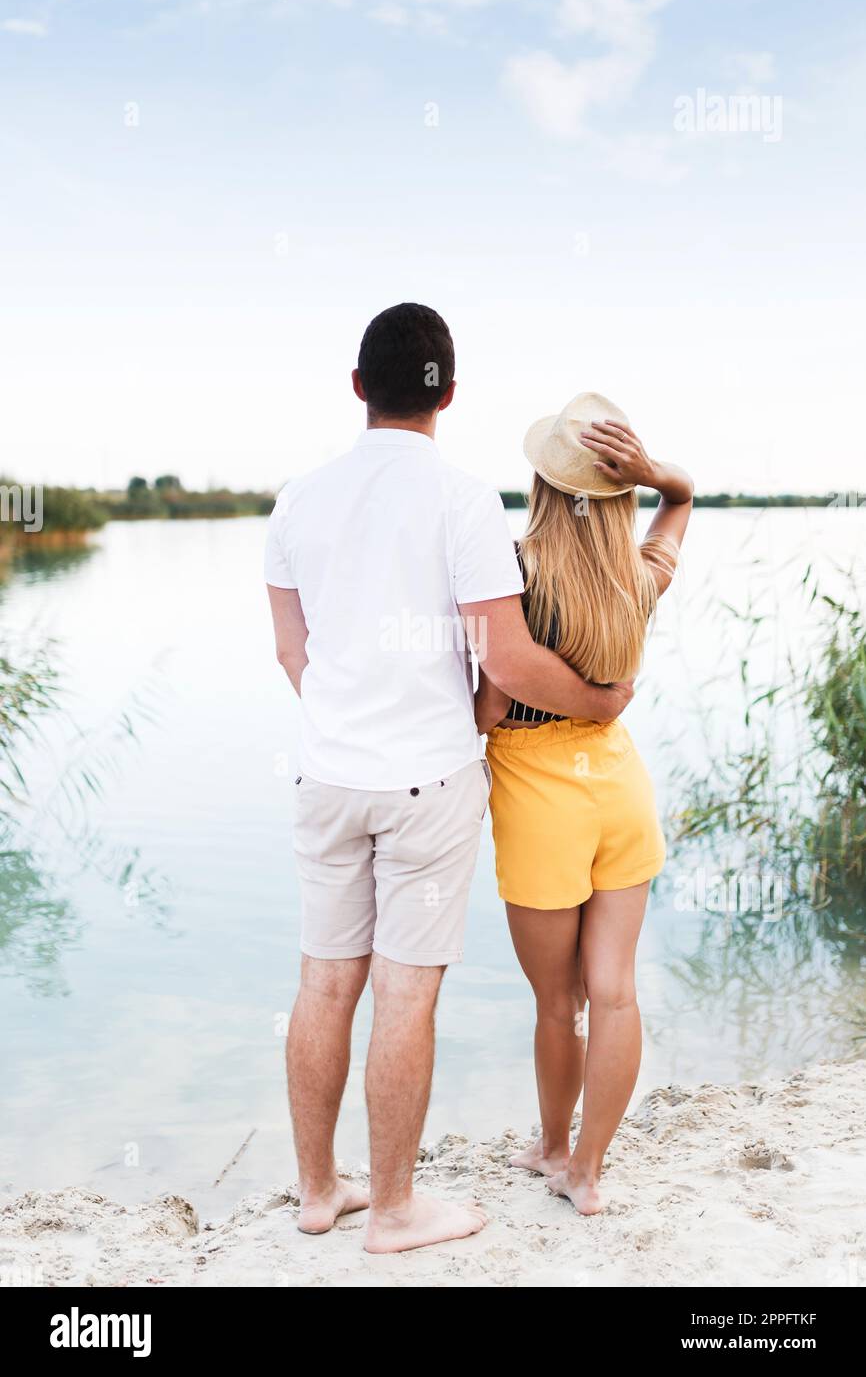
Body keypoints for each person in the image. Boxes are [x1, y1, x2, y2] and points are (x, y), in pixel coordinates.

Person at [265, 308, 634, 1253]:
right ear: (450, 393)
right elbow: (504, 662)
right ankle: (392, 1210)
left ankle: (318, 1193)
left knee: (322, 982)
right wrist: (596, 703)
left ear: (357, 386)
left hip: (324, 776)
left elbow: (291, 651)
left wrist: (348, 720)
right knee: (405, 994)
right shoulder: (465, 502)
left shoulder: (296, 500)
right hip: (428, 783)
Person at [475, 391, 693, 1216]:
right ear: (621, 490)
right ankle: (590, 1173)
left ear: (541, 485)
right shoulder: (638, 577)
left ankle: (552, 1145)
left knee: (557, 1002)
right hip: (621, 791)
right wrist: (655, 473)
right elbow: (682, 497)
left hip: (540, 801)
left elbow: (490, 706)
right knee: (616, 991)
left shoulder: (515, 570)